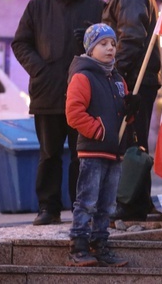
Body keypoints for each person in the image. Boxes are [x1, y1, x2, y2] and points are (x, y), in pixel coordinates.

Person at [12, 0, 105, 226]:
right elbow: (20, 43)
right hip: (48, 94)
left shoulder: (97, 7)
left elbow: (111, 45)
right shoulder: (37, 7)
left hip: (86, 96)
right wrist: (40, 68)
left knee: (83, 156)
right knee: (49, 155)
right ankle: (48, 208)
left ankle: (82, 208)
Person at [92, 0, 161, 221]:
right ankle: (138, 202)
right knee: (135, 141)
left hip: (134, 81)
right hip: (137, 78)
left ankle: (132, 205)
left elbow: (131, 37)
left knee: (131, 143)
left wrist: (115, 74)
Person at [65, 23, 131, 268]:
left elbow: (123, 114)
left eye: (113, 44)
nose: (110, 48)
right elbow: (73, 113)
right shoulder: (83, 76)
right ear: (91, 48)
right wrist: (99, 131)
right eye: (103, 44)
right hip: (93, 151)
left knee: (107, 204)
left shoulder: (117, 79)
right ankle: (79, 244)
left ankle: (100, 244)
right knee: (87, 201)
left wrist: (130, 109)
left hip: (114, 152)